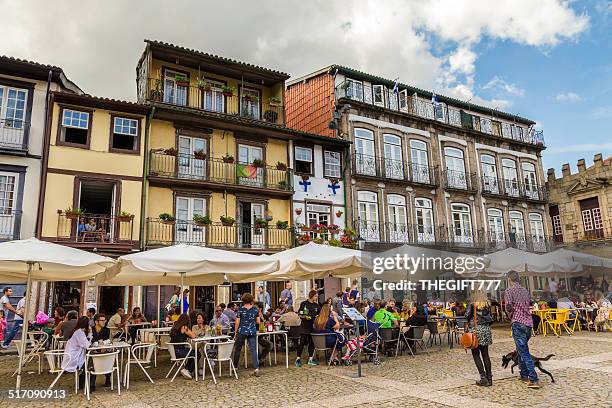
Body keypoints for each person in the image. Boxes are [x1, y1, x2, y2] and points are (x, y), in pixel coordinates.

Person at [505, 270, 541, 388]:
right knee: (520, 349)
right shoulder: (525, 290)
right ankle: (523, 374)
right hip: (528, 324)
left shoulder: (509, 291)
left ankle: (534, 379)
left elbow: (509, 306)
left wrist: (509, 313)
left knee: (524, 352)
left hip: (518, 323)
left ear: (509, 279)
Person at [465, 295, 494, 386]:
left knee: (476, 354)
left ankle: (483, 378)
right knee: (486, 355)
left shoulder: (472, 303)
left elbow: (467, 315)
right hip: (486, 329)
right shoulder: (487, 303)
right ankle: (489, 378)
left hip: (476, 330)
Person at [232, 293, 261, 377]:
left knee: (238, 349)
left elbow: (237, 322)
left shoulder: (240, 309)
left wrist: (235, 332)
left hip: (242, 331)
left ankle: (235, 367)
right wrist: (251, 322)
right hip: (252, 331)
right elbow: (258, 321)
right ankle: (256, 368)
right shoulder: (255, 309)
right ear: (251, 300)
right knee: (253, 349)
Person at [61, 316, 91, 391]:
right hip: (73, 358)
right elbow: (87, 345)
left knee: (87, 362)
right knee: (89, 363)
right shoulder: (79, 333)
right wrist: (90, 334)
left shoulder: (76, 331)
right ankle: (85, 384)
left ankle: (82, 383)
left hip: (71, 356)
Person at [295, 289, 321, 367]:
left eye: (317, 296)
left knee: (311, 343)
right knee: (302, 342)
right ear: (311, 296)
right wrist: (304, 316)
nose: (316, 298)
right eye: (315, 296)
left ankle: (310, 359)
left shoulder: (316, 305)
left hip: (312, 326)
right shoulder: (304, 304)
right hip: (304, 325)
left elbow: (320, 314)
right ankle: (298, 359)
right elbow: (300, 313)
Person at [170, 314, 197, 379]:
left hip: (173, 351)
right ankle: (188, 370)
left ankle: (186, 369)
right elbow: (193, 336)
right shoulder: (184, 327)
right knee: (197, 353)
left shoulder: (174, 327)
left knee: (192, 352)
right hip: (179, 351)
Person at [90, 314, 111, 390]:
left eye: (104, 320)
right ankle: (92, 383)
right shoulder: (90, 330)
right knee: (92, 361)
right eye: (102, 320)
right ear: (96, 322)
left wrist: (102, 351)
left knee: (106, 358)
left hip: (103, 351)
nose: (104, 322)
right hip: (92, 351)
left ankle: (108, 379)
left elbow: (106, 342)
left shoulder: (106, 330)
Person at [255, 301, 272, 367]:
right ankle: (259, 361)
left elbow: (268, 324)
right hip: (254, 336)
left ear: (260, 309)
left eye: (256, 308)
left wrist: (262, 318)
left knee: (270, 345)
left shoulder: (265, 316)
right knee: (257, 346)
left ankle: (261, 358)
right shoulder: (252, 316)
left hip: (261, 336)